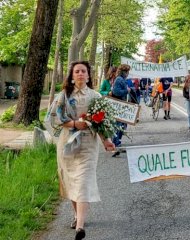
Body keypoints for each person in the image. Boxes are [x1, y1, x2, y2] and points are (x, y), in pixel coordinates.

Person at [55, 61, 115, 240]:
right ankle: (76, 216)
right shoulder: (64, 96)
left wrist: (107, 141)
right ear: (72, 76)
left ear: (88, 75)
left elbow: (102, 123)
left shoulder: (96, 96)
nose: (80, 74)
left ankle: (80, 227)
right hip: (67, 144)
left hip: (89, 144)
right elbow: (57, 118)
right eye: (77, 71)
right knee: (72, 181)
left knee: (83, 181)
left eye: (83, 71)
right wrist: (74, 124)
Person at [111, 64, 131, 156]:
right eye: (127, 72)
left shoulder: (121, 79)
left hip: (122, 105)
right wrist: (127, 90)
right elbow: (116, 92)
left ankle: (117, 144)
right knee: (117, 126)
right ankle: (114, 146)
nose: (128, 73)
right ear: (123, 72)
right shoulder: (119, 79)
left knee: (122, 126)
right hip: (118, 106)